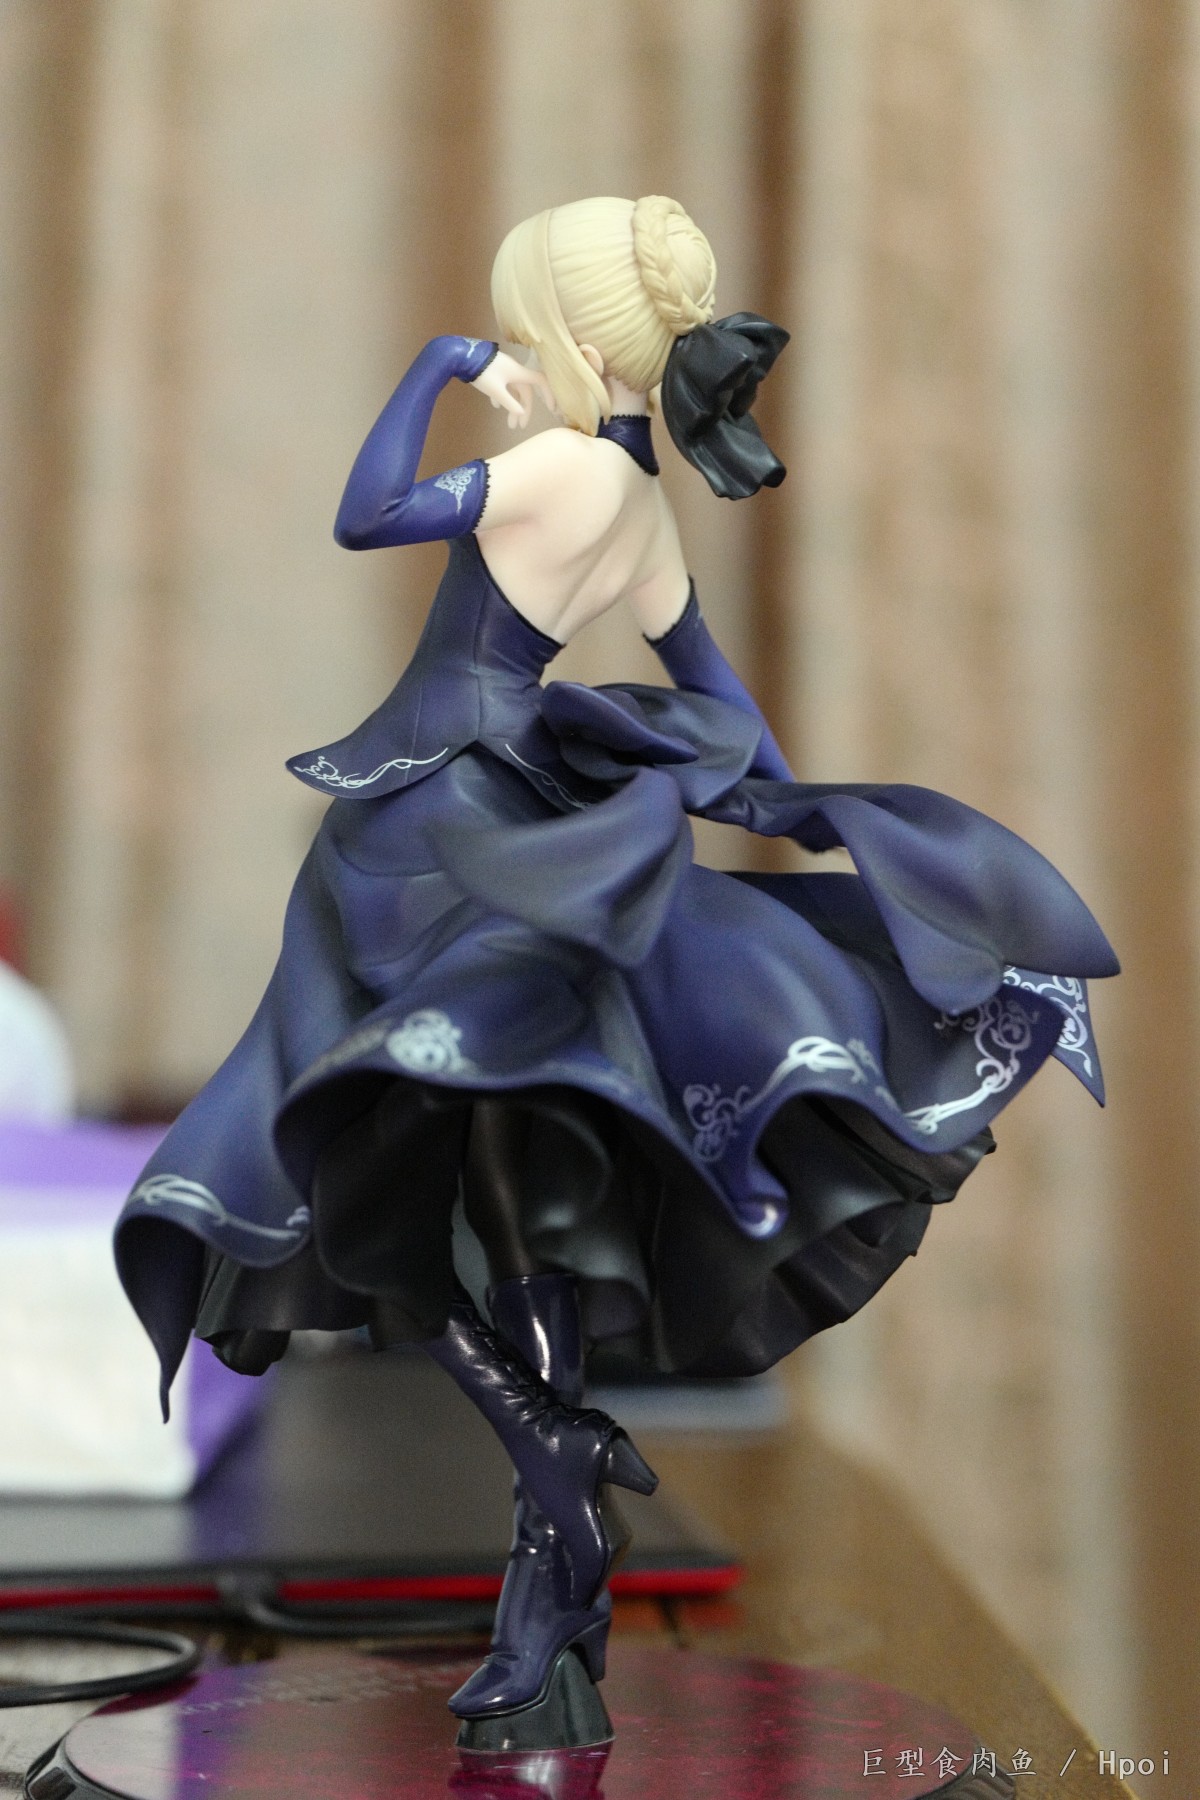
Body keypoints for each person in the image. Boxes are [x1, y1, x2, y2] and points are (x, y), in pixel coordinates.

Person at [114, 195, 1117, 1746]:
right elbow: (724, 704)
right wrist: (802, 820)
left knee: (370, 1168)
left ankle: (547, 1451)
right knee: (509, 1165)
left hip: (423, 837)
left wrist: (441, 367)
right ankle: (553, 1536)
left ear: (570, 337)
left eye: (521, 318)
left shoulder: (555, 469)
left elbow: (368, 515)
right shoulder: (636, 500)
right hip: (512, 829)